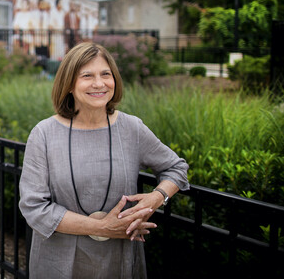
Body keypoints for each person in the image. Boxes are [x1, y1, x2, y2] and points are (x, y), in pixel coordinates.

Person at [19, 42, 189, 278]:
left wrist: (156, 198)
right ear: (69, 84)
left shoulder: (131, 128)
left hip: (119, 258)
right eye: (87, 75)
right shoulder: (44, 134)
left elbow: (176, 168)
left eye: (105, 74)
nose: (99, 84)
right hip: (59, 262)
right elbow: (34, 207)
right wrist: (102, 228)